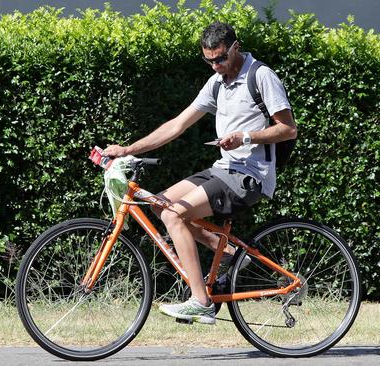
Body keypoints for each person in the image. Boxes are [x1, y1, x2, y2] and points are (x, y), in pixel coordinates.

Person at [104, 22, 297, 325]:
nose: (216, 66)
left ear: (236, 46)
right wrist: (128, 149)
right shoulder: (217, 83)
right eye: (209, 61)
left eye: (221, 58)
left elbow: (288, 129)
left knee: (173, 215)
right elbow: (177, 125)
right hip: (224, 169)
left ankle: (200, 301)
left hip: (250, 175)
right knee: (158, 203)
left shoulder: (261, 76)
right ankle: (234, 253)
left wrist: (246, 137)